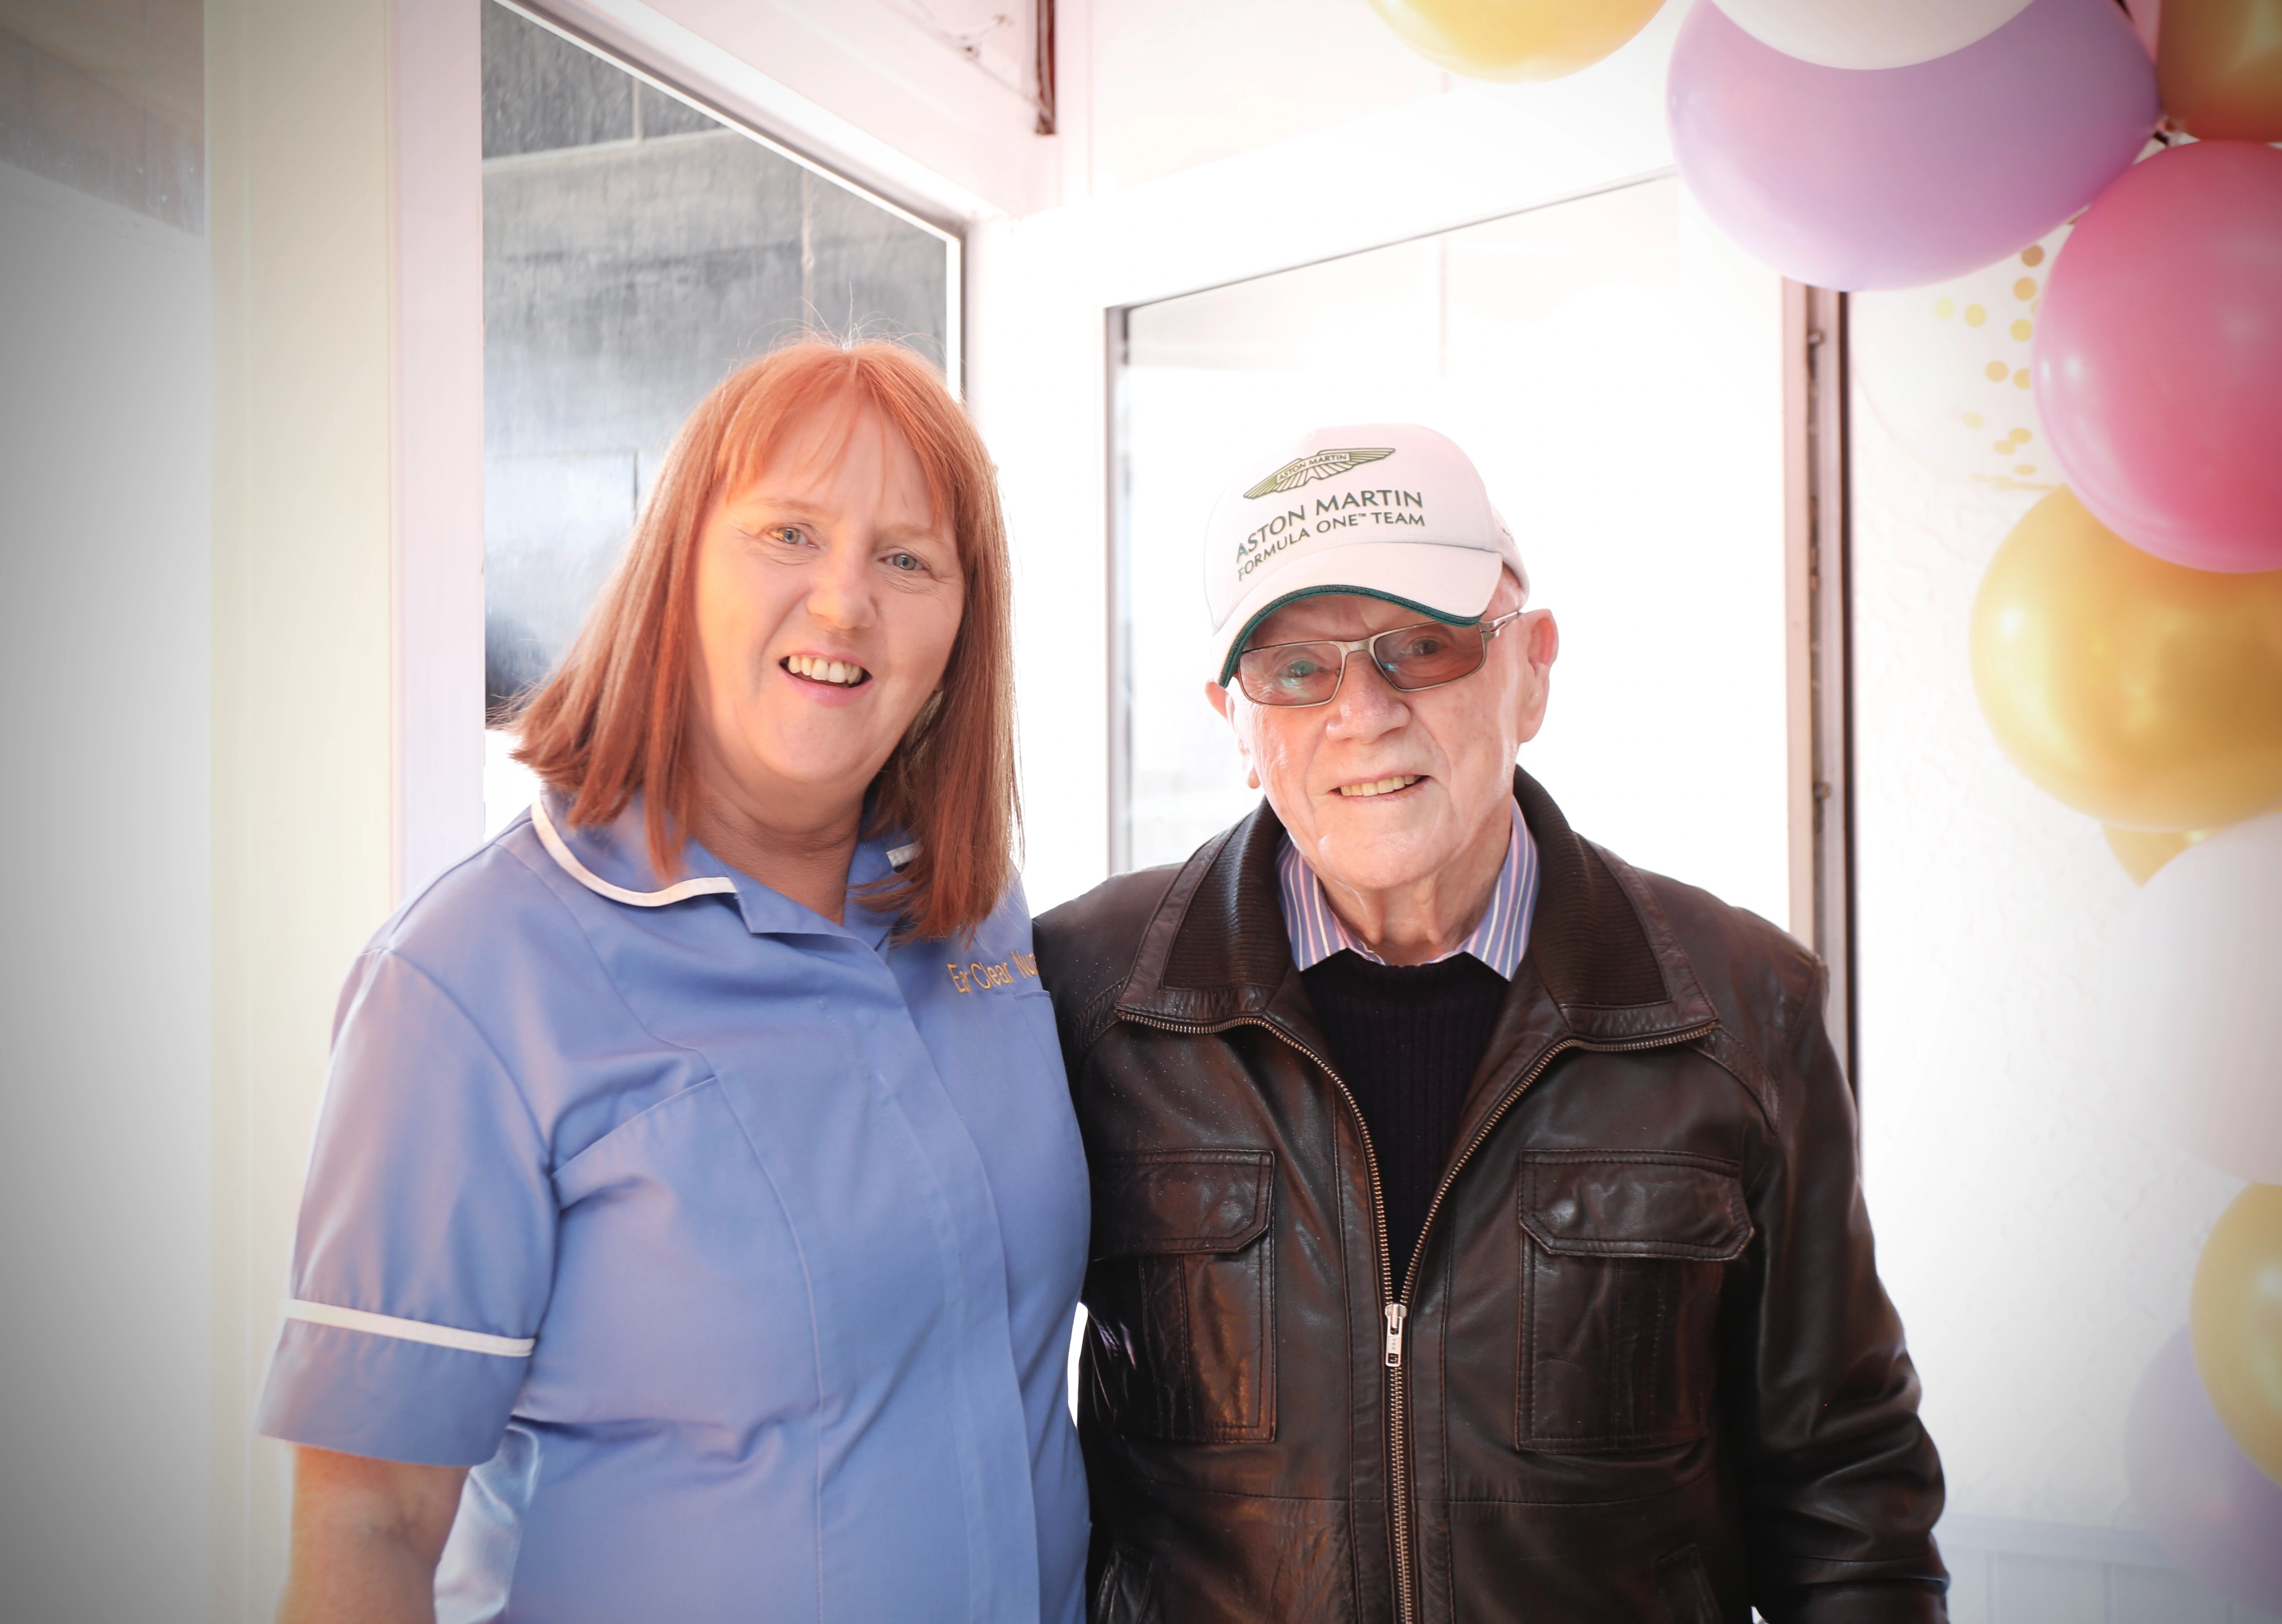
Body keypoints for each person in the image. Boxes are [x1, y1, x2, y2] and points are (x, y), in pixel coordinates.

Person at [1036, 425, 1948, 1622]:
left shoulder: (1741, 1006)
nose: (1364, 711)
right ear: (1235, 720)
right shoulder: (1084, 997)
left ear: (1533, 669)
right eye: (1297, 670)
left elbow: (1847, 1495)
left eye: (1424, 645)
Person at [257, 340, 1089, 1623]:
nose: (844, 604)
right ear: (679, 568)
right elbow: (368, 1529)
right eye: (789, 534)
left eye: (907, 560)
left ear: (962, 629)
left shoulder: (975, 916)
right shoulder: (467, 982)